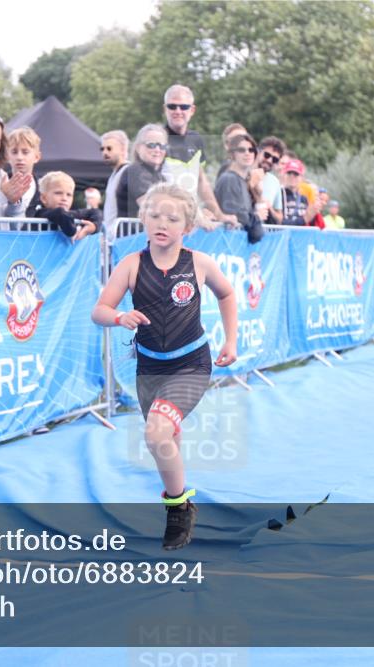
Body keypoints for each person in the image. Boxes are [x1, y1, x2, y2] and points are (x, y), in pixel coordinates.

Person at [91, 182, 238, 550]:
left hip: (192, 363)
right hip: (150, 368)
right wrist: (120, 316)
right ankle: (179, 493)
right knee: (167, 437)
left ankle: (178, 506)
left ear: (186, 227)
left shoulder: (199, 264)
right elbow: (100, 310)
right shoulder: (131, 265)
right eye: (155, 215)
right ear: (142, 219)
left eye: (172, 218)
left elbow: (228, 293)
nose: (162, 223)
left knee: (156, 434)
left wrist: (231, 340)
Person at [161, 84, 234, 226]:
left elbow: (201, 181)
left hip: (189, 221)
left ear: (192, 110)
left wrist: (219, 214)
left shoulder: (196, 139)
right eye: (172, 106)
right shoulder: (156, 139)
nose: (178, 111)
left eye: (184, 107)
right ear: (165, 109)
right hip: (166, 220)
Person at [213, 133, 265, 243]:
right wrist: (257, 218)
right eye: (241, 150)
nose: (247, 153)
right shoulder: (229, 179)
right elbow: (238, 217)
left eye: (251, 150)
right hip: (225, 245)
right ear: (232, 154)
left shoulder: (242, 181)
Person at [28, 171, 99, 241]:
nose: (64, 198)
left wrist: (94, 226)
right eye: (58, 193)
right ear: (43, 198)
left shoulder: (69, 213)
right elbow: (60, 213)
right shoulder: (40, 214)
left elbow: (94, 212)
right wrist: (74, 231)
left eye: (69, 195)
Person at [116, 124, 167, 219]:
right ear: (138, 148)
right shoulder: (135, 171)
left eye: (162, 146)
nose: (157, 150)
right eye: (151, 145)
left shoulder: (161, 177)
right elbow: (152, 207)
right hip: (133, 233)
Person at [100, 129, 130, 238]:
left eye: (109, 148)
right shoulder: (114, 175)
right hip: (112, 236)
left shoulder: (129, 172)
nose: (105, 152)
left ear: (123, 150)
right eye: (102, 149)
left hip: (124, 237)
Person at [7, 127, 43, 213]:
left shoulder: (43, 188)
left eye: (25, 152)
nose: (19, 157)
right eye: (14, 152)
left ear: (37, 157)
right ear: (7, 156)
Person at [279, 159, 322, 226]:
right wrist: (304, 219)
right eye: (289, 173)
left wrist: (314, 212)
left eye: (296, 174)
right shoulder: (279, 195)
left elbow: (311, 223)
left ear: (301, 178)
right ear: (284, 174)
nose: (292, 176)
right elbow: (278, 222)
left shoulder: (303, 199)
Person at [257, 136, 286, 222]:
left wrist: (270, 209)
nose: (269, 160)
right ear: (258, 152)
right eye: (267, 155)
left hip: (263, 232)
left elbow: (280, 218)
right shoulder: (244, 174)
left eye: (275, 159)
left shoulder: (274, 182)